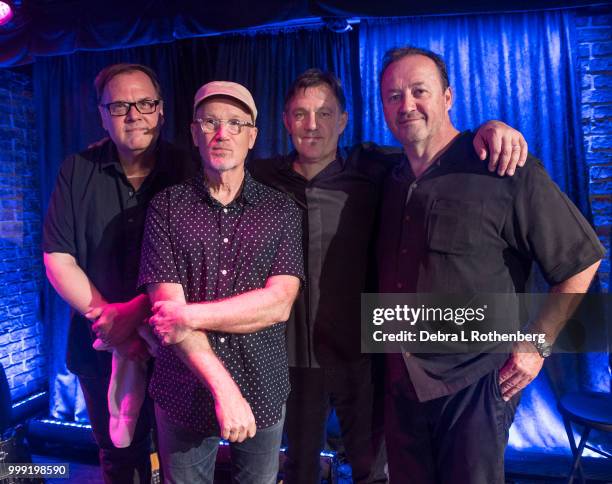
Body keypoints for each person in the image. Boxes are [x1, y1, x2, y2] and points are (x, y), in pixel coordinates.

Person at [249, 68, 530, 483]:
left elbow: (438, 147)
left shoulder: (377, 168)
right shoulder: (262, 179)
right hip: (291, 354)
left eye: (324, 114)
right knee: (297, 468)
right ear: (286, 121)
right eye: (300, 114)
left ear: (343, 121)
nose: (312, 125)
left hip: (365, 352)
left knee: (372, 468)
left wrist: (490, 129)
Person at [376, 46, 605, 483]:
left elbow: (582, 259)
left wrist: (537, 345)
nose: (406, 105)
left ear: (447, 97)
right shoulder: (390, 176)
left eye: (419, 91)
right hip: (402, 383)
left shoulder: (503, 167)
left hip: (475, 384)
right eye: (393, 96)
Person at [139, 81, 304, 483]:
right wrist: (226, 392)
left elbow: (278, 303)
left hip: (262, 383)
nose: (222, 133)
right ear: (194, 133)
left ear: (252, 136)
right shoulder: (165, 208)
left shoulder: (281, 209)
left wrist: (188, 316)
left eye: (235, 123)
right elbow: (166, 312)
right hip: (183, 389)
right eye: (210, 121)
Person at [42, 63, 197, 483]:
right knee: (116, 457)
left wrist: (135, 316)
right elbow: (58, 256)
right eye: (120, 105)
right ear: (102, 114)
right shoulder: (77, 170)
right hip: (100, 342)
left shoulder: (190, 169)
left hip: (176, 343)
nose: (134, 114)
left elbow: (201, 260)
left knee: (179, 459)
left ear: (161, 110)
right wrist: (114, 322)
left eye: (145, 103)